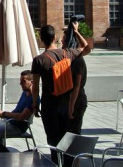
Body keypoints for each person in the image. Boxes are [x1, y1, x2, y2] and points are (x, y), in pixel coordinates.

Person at [31, 23, 90, 160]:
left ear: (41, 39)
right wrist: (76, 32)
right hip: (66, 104)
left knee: (53, 142)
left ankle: (56, 163)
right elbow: (87, 48)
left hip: (49, 106)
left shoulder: (39, 60)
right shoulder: (68, 53)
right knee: (67, 142)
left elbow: (35, 87)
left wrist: (35, 105)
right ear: (55, 38)